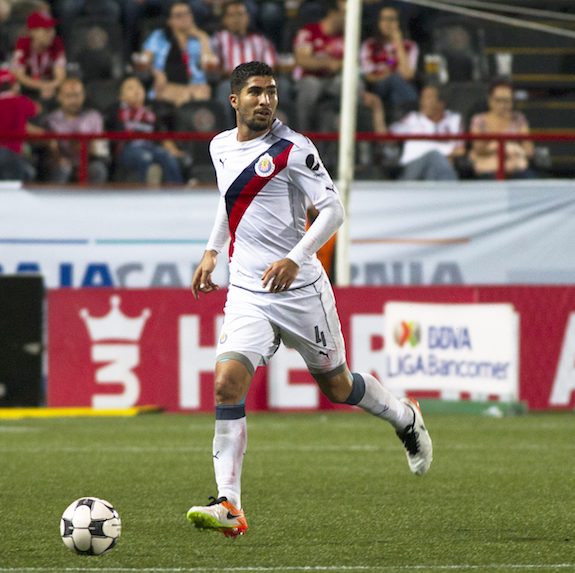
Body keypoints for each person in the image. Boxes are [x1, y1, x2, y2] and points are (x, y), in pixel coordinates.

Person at [185, 61, 433, 537]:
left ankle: (405, 416)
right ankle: (229, 504)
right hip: (248, 292)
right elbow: (229, 199)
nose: (265, 100)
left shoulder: (293, 149)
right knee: (226, 386)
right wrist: (212, 251)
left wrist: (296, 259)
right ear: (234, 100)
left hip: (300, 291)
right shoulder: (220, 147)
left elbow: (334, 210)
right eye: (255, 92)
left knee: (337, 388)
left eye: (271, 92)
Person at [370, 83, 464, 181]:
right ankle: (454, 188)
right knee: (435, 156)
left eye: (428, 98)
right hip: (412, 169)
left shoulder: (454, 119)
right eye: (422, 98)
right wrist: (377, 110)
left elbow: (460, 150)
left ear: (441, 103)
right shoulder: (413, 119)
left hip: (435, 170)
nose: (423, 102)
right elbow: (384, 139)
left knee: (434, 166)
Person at [108, 75, 184, 184]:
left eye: (139, 87)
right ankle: (142, 192)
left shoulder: (151, 112)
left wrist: (172, 149)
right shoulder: (116, 111)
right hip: (128, 148)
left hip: (149, 146)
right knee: (145, 157)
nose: (136, 91)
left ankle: (177, 188)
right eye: (130, 88)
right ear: (121, 96)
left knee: (167, 156)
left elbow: (161, 133)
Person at [139, 1, 216, 107]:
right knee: (183, 96)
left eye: (187, 14)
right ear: (169, 20)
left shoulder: (200, 39)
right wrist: (155, 72)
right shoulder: (158, 36)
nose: (185, 18)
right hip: (166, 85)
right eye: (179, 15)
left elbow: (207, 66)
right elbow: (144, 61)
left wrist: (202, 38)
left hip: (196, 85)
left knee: (201, 93)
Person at [210, 0, 278, 111]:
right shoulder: (218, 39)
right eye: (232, 15)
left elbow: (271, 66)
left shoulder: (260, 40)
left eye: (240, 14)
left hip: (258, 83)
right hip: (230, 82)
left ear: (247, 18)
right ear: (224, 20)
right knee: (224, 89)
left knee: (278, 87)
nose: (237, 19)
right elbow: (212, 64)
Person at [292, 0, 346, 132]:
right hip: (308, 79)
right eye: (344, 13)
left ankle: (351, 134)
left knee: (351, 85)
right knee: (311, 86)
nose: (347, 18)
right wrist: (328, 63)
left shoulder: (344, 37)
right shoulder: (309, 31)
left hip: (333, 81)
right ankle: (303, 133)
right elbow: (302, 59)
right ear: (333, 13)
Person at [43, 77, 110, 183]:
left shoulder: (94, 117)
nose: (74, 100)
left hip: (89, 161)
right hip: (62, 162)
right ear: (59, 97)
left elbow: (101, 149)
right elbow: (50, 149)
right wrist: (58, 158)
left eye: (77, 95)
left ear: (83, 96)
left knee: (99, 169)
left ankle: (95, 195)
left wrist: (88, 149)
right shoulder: (51, 119)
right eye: (69, 96)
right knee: (63, 169)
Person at [468, 78, 536, 179]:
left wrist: (512, 150)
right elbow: (479, 149)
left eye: (507, 101)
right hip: (489, 169)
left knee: (530, 178)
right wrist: (501, 148)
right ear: (490, 100)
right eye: (499, 100)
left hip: (515, 168)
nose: (503, 105)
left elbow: (529, 150)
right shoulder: (479, 120)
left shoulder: (519, 119)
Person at [359, 4, 418, 120]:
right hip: (377, 88)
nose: (387, 24)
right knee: (394, 79)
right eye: (384, 19)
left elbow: (408, 74)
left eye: (392, 19)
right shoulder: (370, 45)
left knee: (396, 82)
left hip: (399, 89)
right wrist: (387, 75)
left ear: (399, 22)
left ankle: (401, 119)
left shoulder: (410, 46)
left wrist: (398, 43)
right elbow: (369, 77)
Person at [10, 10, 67, 106]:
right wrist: (42, 86)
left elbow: (60, 77)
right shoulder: (22, 43)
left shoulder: (57, 43)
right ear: (33, 31)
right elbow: (19, 75)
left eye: (52, 28)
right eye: (46, 30)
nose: (51, 33)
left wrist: (48, 87)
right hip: (27, 88)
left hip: (50, 89)